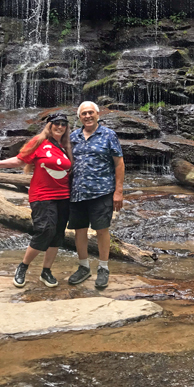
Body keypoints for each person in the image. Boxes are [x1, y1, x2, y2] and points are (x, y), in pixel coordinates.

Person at [0, 112, 72, 289]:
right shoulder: (39, 142)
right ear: (49, 125)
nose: (60, 126)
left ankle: (46, 271)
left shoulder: (66, 146)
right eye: (56, 123)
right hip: (42, 195)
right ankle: (23, 266)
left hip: (64, 196)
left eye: (63, 124)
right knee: (45, 230)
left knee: (57, 235)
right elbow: (19, 161)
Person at [68, 101, 125, 289]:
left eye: (90, 112)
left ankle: (103, 268)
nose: (87, 116)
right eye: (84, 113)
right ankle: (84, 266)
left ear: (98, 114)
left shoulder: (109, 135)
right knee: (80, 230)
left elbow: (119, 163)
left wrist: (118, 191)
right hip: (77, 192)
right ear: (79, 117)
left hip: (102, 192)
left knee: (102, 230)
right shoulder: (73, 136)